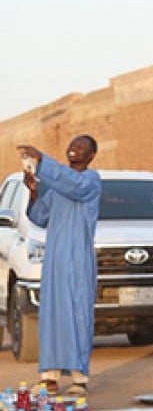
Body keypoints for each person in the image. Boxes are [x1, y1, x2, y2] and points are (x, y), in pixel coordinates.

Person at [17, 137, 101, 397]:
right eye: (72, 145)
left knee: (77, 314)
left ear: (91, 155)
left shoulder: (90, 180)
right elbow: (39, 216)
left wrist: (42, 161)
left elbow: (73, 186)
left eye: (81, 147)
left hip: (77, 258)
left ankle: (79, 378)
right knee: (52, 315)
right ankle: (49, 378)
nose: (73, 148)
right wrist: (33, 191)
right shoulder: (57, 188)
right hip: (54, 259)